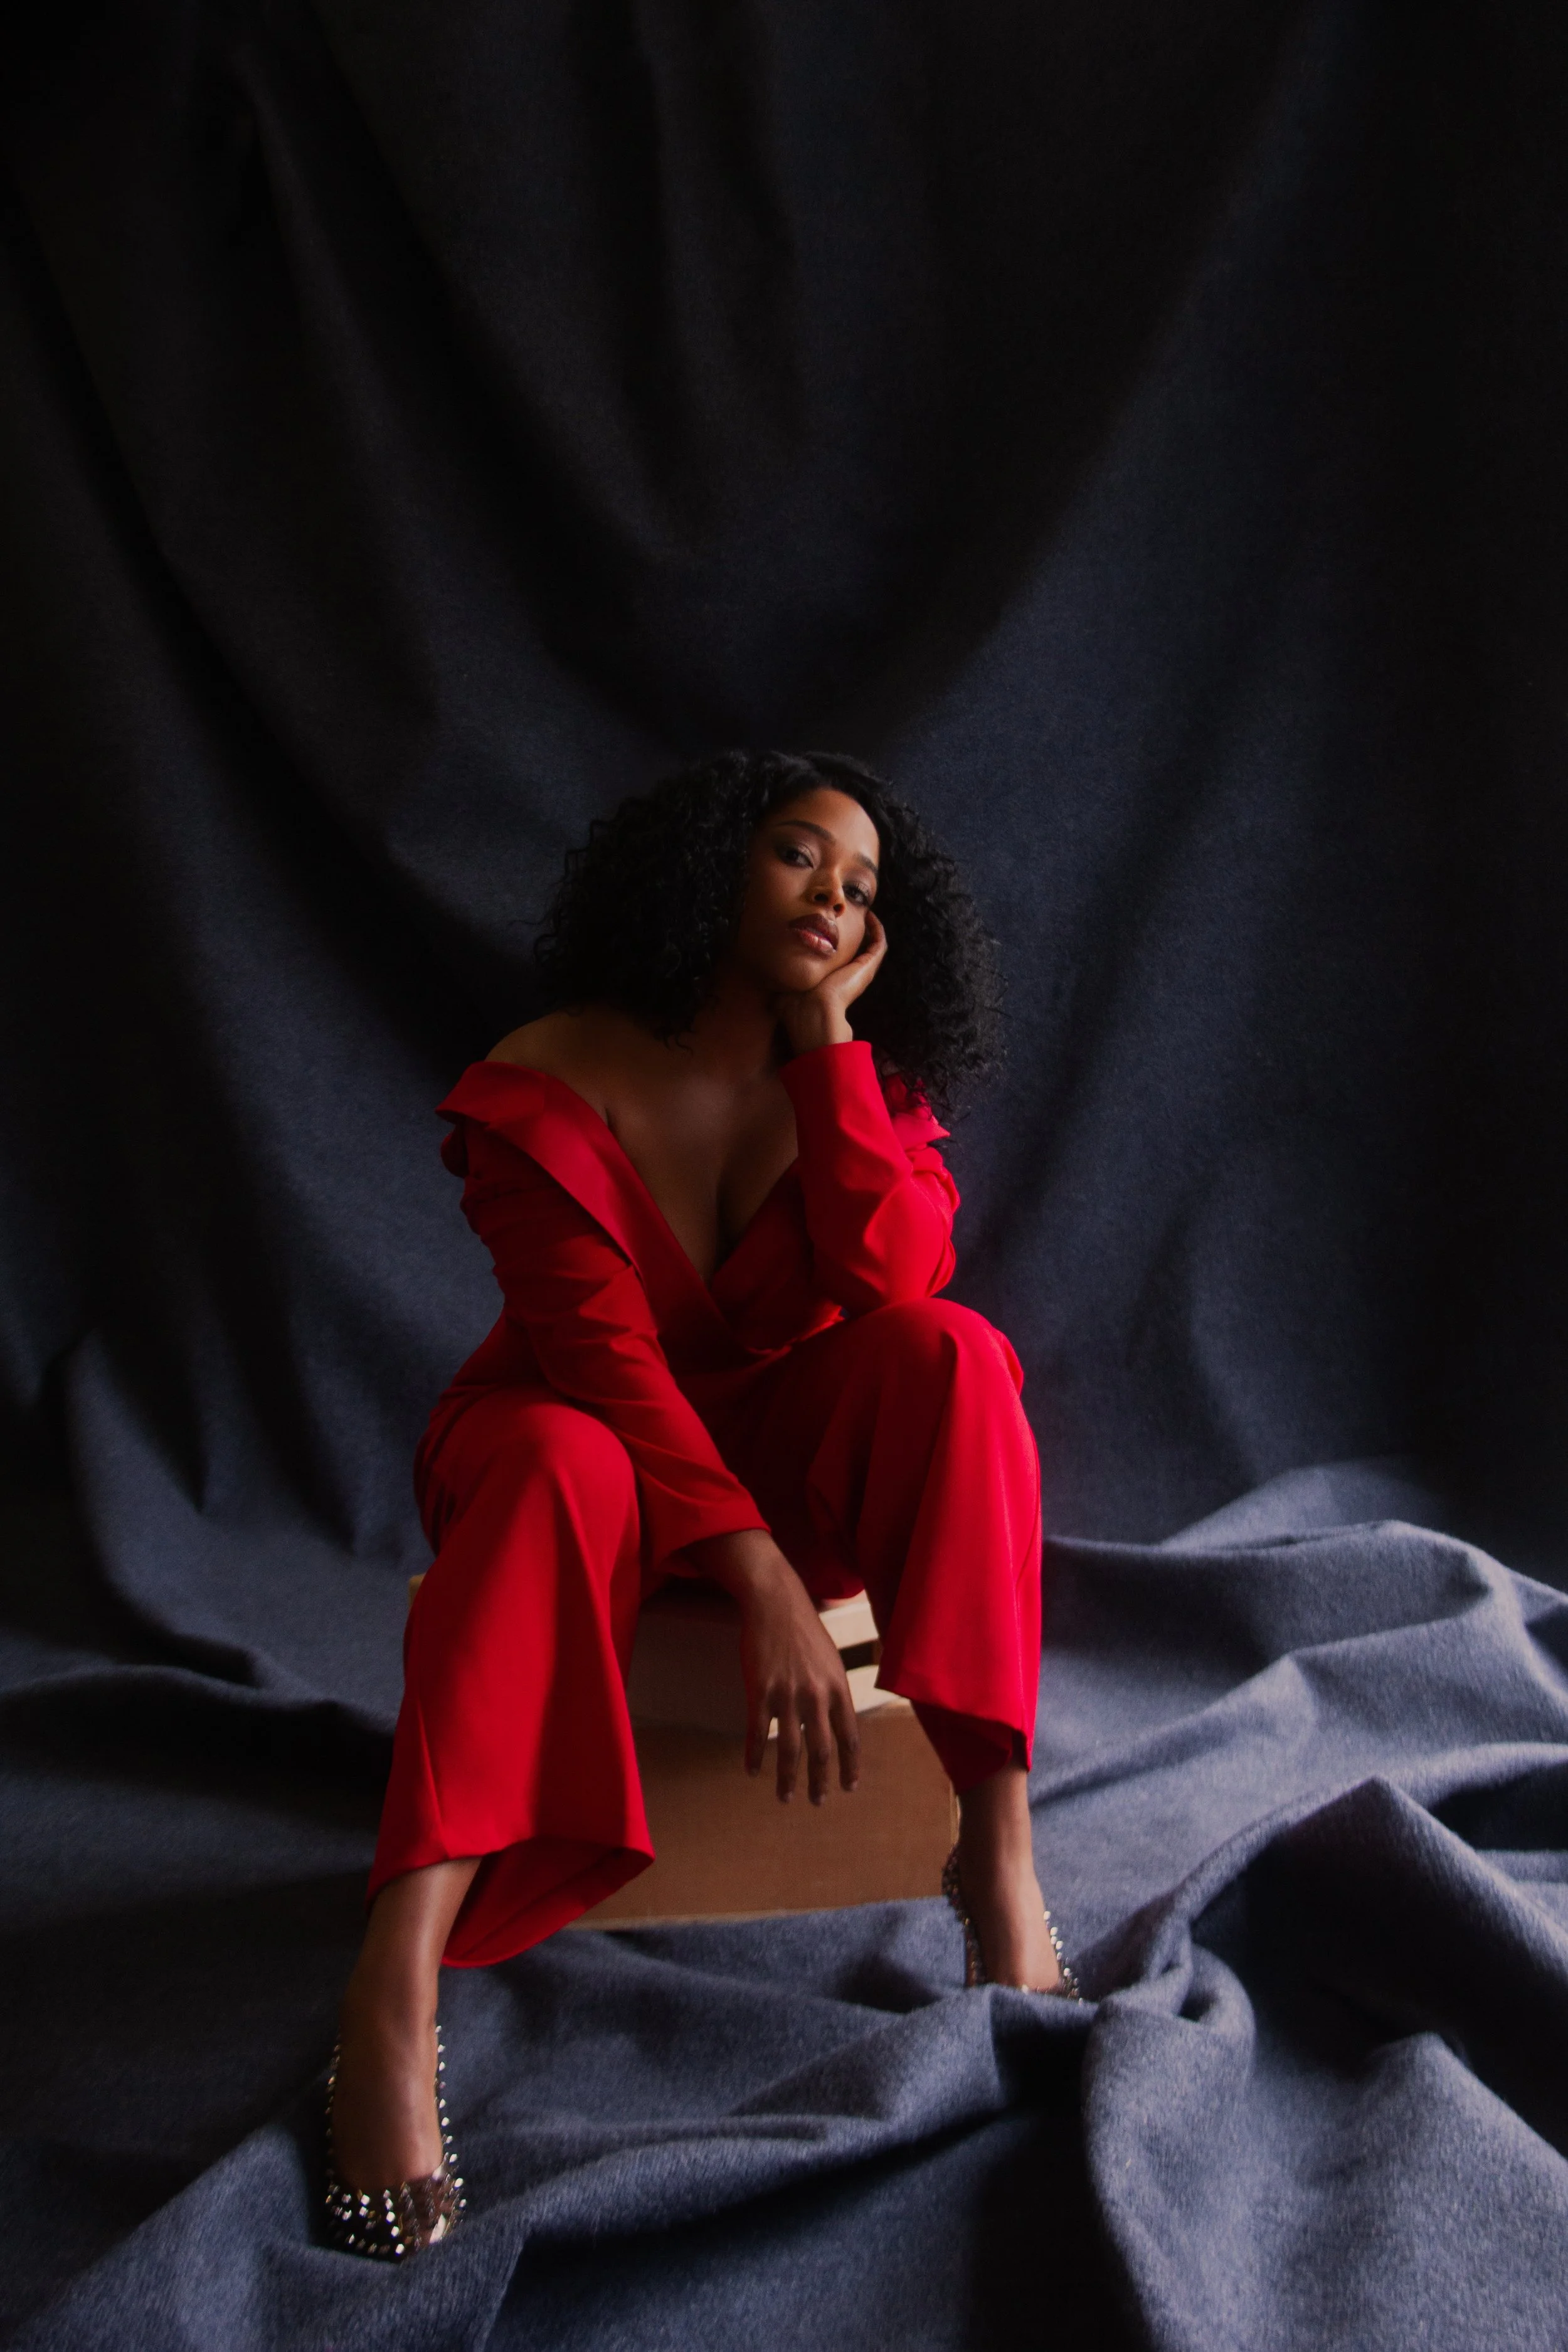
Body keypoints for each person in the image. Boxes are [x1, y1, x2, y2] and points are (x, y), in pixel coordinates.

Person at [323, 750, 1079, 2260]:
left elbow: (892, 1285)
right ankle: (388, 2005)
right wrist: (755, 1579)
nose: (830, 896)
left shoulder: (856, 1086)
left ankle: (992, 1855)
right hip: (564, 1445)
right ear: (709, 866)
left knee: (958, 1354)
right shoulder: (549, 1075)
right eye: (801, 857)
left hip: (781, 1469)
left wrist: (827, 1044)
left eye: (861, 889)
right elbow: (602, 1365)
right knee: (563, 1457)